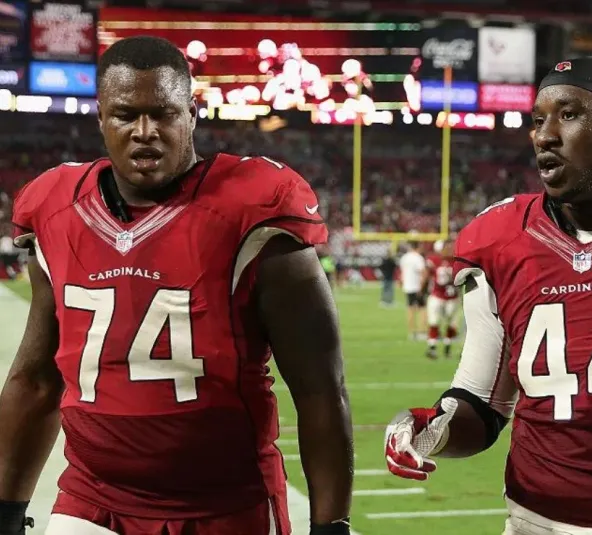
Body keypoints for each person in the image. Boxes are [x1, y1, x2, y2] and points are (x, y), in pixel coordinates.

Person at [0, 36, 353, 535]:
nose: (145, 132)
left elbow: (320, 391)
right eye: (125, 116)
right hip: (91, 501)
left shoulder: (255, 209)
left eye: (162, 114)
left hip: (224, 508)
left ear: (191, 113)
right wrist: (6, 512)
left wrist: (330, 526)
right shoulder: (56, 209)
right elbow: (36, 381)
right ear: (101, 118)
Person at [384, 56, 592, 534]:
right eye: (538, 120)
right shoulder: (498, 239)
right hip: (530, 523)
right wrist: (431, 431)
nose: (544, 135)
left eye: (570, 114)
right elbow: (481, 404)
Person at [423, 240, 459, 359]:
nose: (449, 249)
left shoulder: (458, 261)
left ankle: (447, 347)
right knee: (434, 321)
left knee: (450, 323)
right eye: (447, 247)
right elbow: (427, 274)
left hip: (452, 297)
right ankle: (432, 347)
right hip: (437, 295)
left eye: (451, 247)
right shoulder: (434, 260)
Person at [399, 241, 426, 340]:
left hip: (408, 286)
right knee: (422, 309)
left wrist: (402, 282)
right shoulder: (418, 258)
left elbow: (402, 272)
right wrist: (422, 287)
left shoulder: (404, 257)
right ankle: (421, 331)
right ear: (418, 246)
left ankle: (411, 332)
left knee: (410, 309)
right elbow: (423, 272)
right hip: (416, 286)